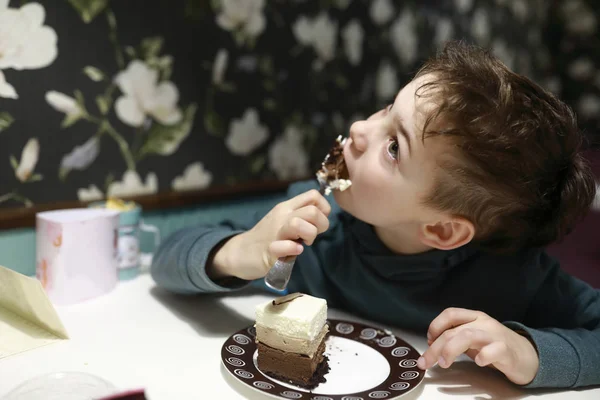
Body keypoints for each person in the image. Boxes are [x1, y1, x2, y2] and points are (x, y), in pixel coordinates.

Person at [150, 41, 599, 389]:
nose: (359, 130)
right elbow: (165, 261)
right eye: (386, 110)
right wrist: (237, 252)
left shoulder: (515, 280)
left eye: (393, 147)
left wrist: (529, 355)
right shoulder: (313, 223)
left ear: (442, 229)